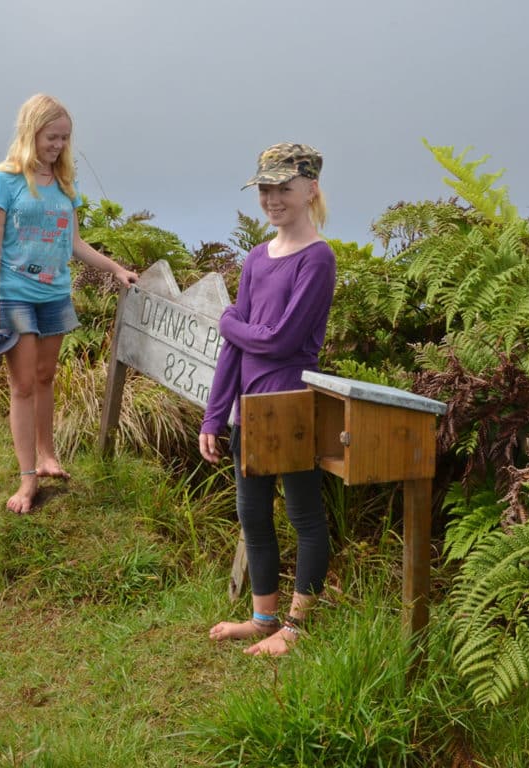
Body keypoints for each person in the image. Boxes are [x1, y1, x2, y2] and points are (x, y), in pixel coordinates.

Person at [199, 143, 336, 656]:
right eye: (265, 189)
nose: (273, 199)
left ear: (310, 188)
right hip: (247, 412)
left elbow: (280, 340)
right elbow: (235, 350)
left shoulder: (318, 259)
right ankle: (263, 619)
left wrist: (230, 321)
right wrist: (215, 416)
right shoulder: (257, 258)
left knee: (303, 517)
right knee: (252, 515)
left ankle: (296, 630)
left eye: (284, 187)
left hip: (294, 406)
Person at [0, 93, 138, 514]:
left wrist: (115, 269)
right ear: (32, 132)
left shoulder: (66, 185)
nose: (58, 145)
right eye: (52, 137)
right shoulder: (5, 180)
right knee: (23, 384)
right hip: (14, 296)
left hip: (54, 295)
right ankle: (27, 479)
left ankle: (48, 456)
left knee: (46, 377)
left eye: (64, 139)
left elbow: (75, 243)